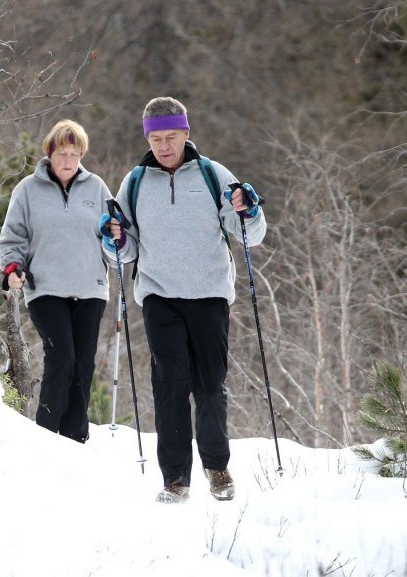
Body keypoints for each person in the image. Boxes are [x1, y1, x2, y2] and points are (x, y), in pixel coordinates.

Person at [99, 97, 267, 503]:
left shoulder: (214, 175)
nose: (164, 146)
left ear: (186, 134)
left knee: (209, 383)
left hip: (209, 294)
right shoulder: (135, 181)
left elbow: (251, 234)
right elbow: (125, 251)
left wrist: (249, 211)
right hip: (159, 297)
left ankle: (217, 467)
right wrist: (113, 238)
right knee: (170, 382)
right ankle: (175, 479)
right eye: (155, 139)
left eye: (170, 137)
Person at [0, 119, 113, 444]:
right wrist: (12, 269)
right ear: (50, 152)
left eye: (74, 154)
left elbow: (113, 234)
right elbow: (12, 238)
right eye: (62, 153)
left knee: (83, 364)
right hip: (45, 288)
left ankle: (76, 437)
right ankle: (47, 436)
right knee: (61, 357)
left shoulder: (97, 188)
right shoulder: (27, 190)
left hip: (90, 288)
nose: (68, 160)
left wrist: (116, 239)